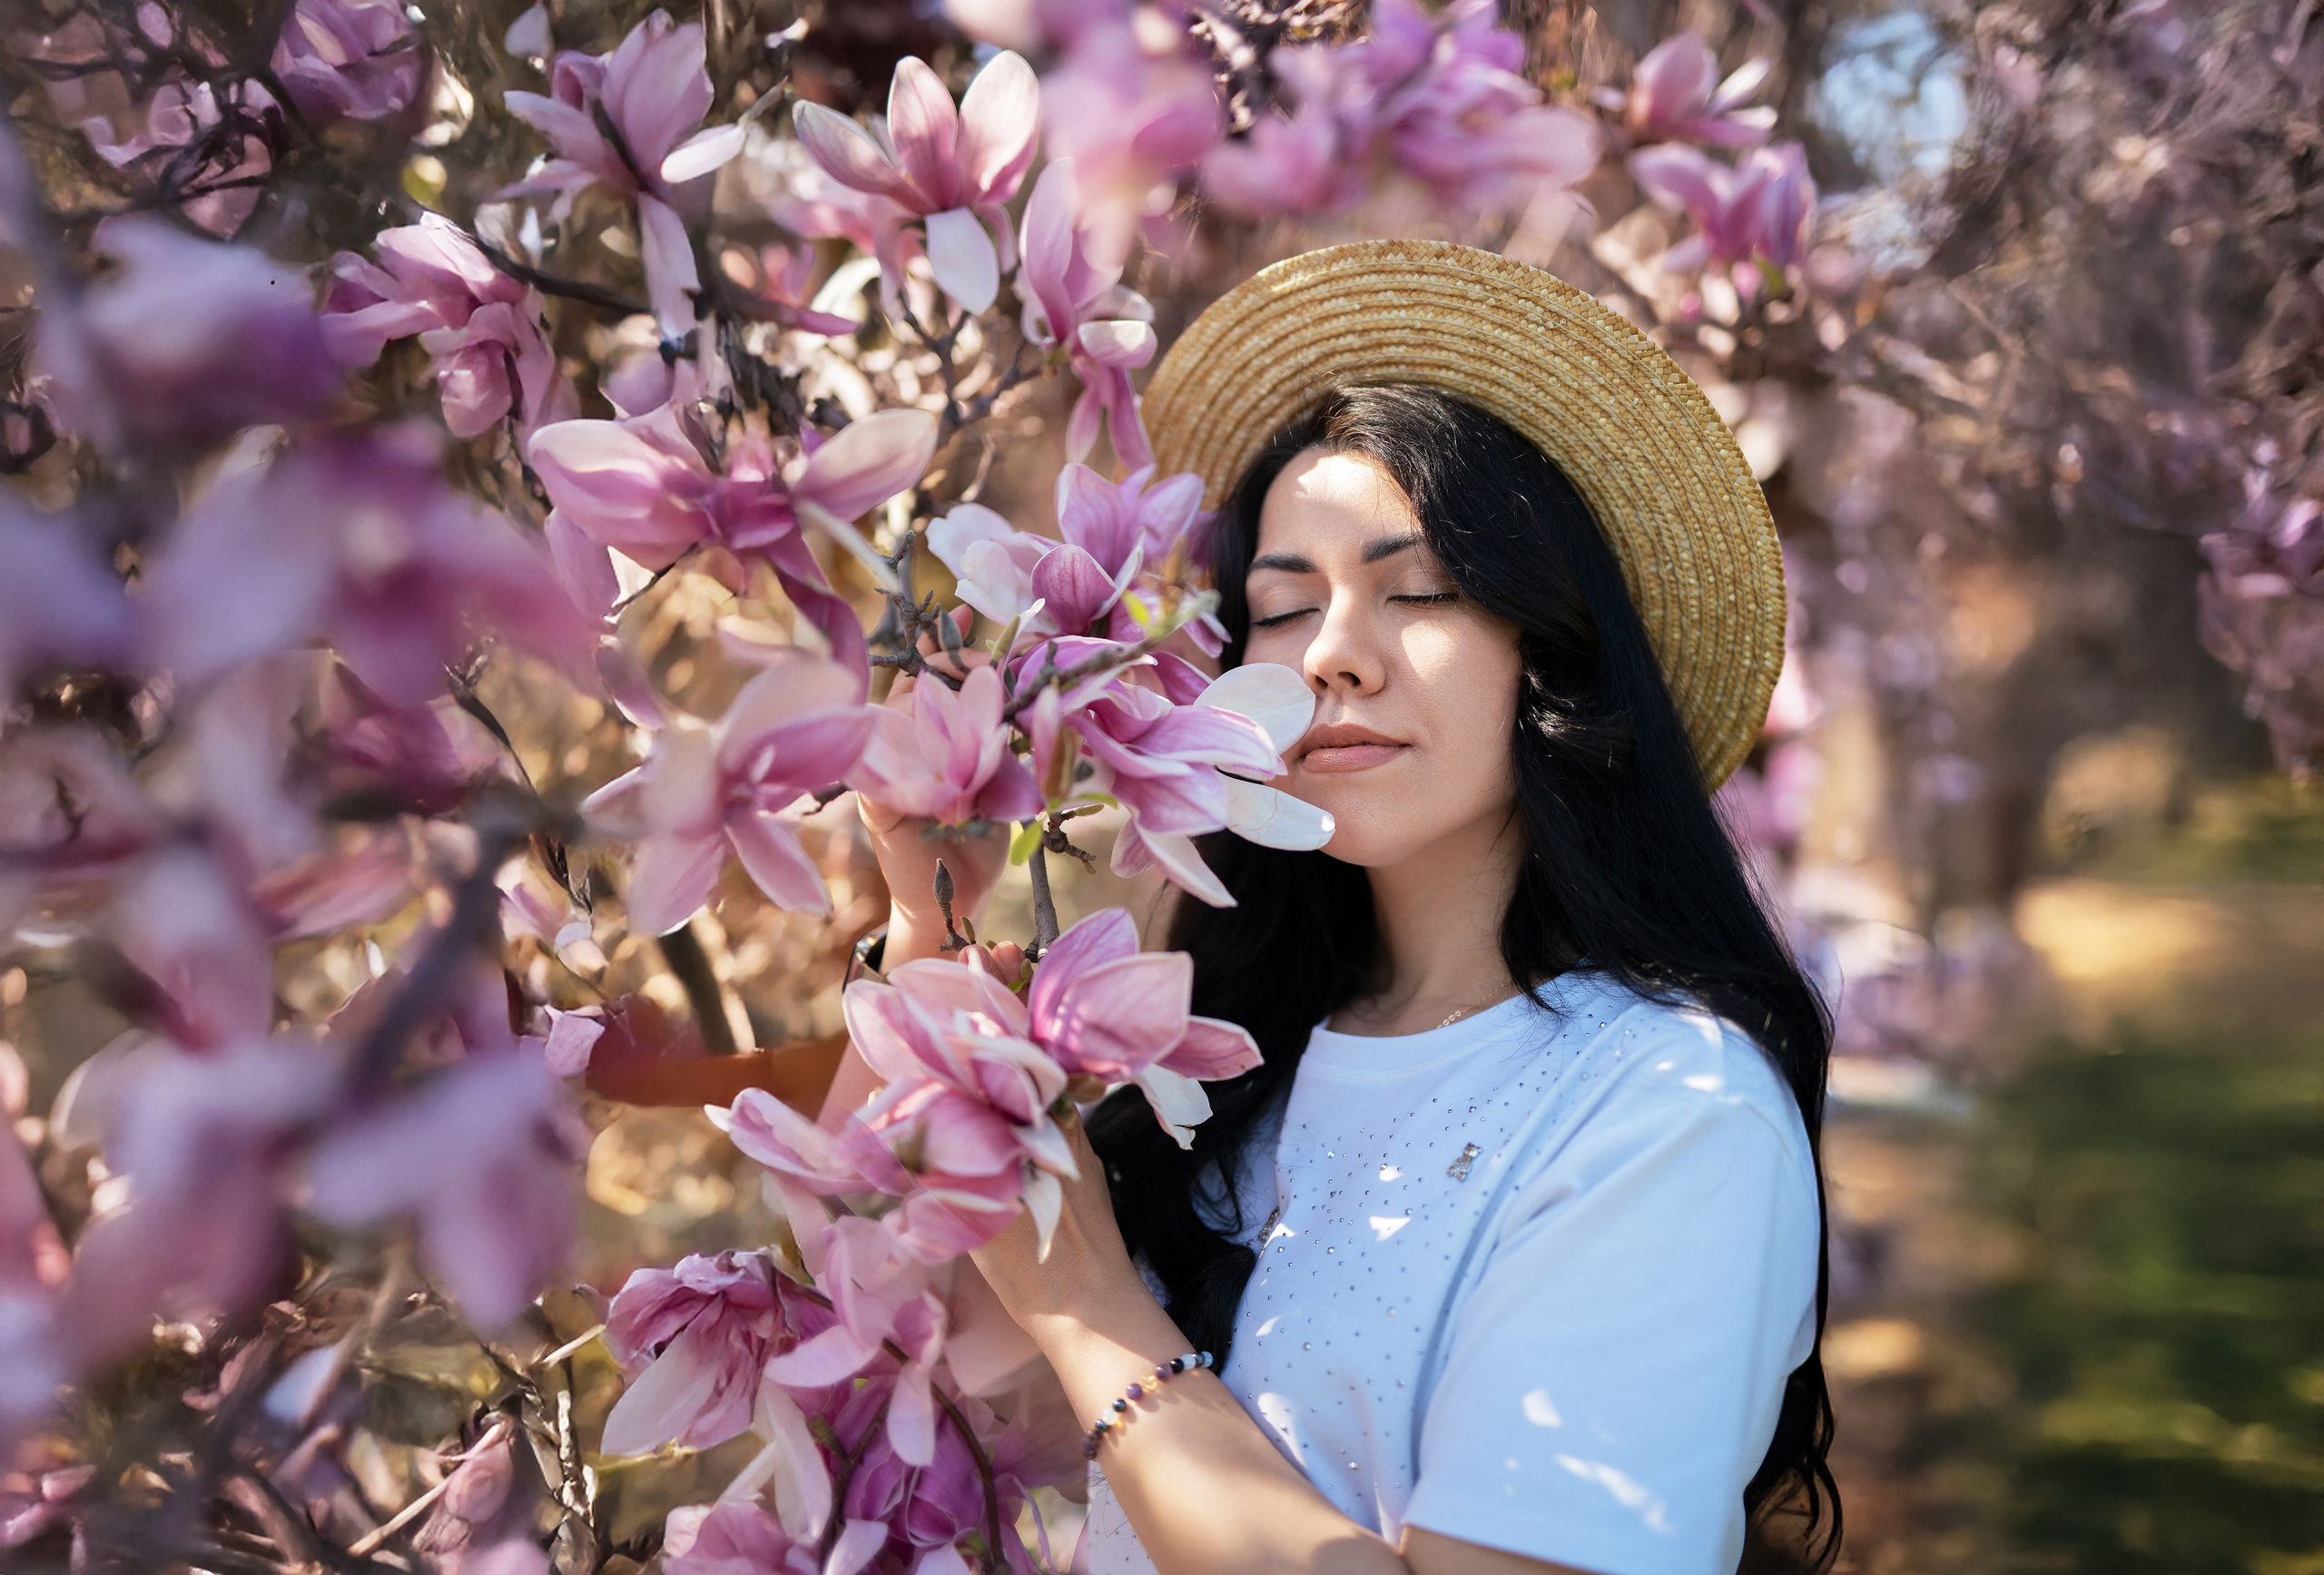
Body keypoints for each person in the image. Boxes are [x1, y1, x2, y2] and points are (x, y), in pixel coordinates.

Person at [832, 242, 1837, 1575]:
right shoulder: (1228, 1058)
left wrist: (1090, 1313)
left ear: (1559, 649)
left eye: (1416, 591)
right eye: (1281, 606)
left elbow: (1060, 1318)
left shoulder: (1664, 1112)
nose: (1330, 655)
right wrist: (930, 923)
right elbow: (867, 1267)